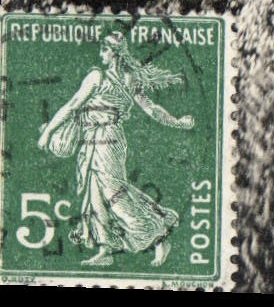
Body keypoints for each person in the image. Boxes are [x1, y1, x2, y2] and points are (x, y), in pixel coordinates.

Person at [37, 32, 194, 269]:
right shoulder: (122, 77)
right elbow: (151, 108)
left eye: (104, 50)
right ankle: (106, 248)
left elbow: (73, 106)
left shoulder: (100, 77)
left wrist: (48, 131)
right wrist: (177, 122)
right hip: (93, 139)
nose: (100, 54)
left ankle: (159, 236)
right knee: (94, 193)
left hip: (107, 140)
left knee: (114, 193)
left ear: (115, 53)